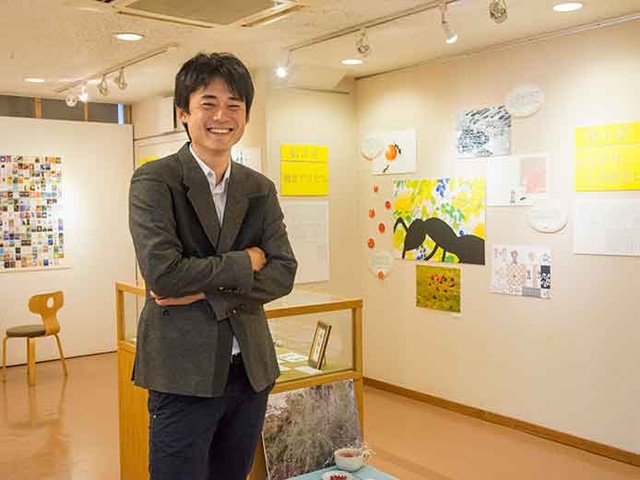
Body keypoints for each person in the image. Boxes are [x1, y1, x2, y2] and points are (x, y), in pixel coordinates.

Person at [128, 52, 297, 480]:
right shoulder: (155, 181)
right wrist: (246, 261)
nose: (221, 116)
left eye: (234, 105)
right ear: (183, 112)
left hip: (250, 372)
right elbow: (164, 275)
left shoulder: (259, 189)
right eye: (208, 103)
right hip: (182, 372)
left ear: (246, 116)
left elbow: (283, 272)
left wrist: (202, 288)